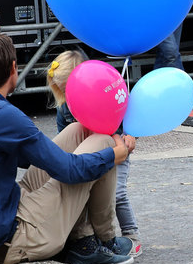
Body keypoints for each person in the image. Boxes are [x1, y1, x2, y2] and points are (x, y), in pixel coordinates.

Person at [0, 33, 137, 264]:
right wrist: (115, 155)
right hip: (15, 240)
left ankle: (89, 239)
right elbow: (69, 170)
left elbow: (32, 158)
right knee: (104, 142)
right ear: (13, 69)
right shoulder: (3, 115)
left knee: (77, 130)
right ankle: (100, 241)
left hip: (4, 219)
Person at [47, 50, 141, 253]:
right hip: (91, 158)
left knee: (117, 194)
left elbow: (128, 112)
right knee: (89, 197)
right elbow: (65, 136)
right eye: (62, 90)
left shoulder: (106, 90)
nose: (66, 95)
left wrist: (130, 133)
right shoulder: (65, 107)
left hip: (117, 150)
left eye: (68, 88)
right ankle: (94, 239)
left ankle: (131, 234)